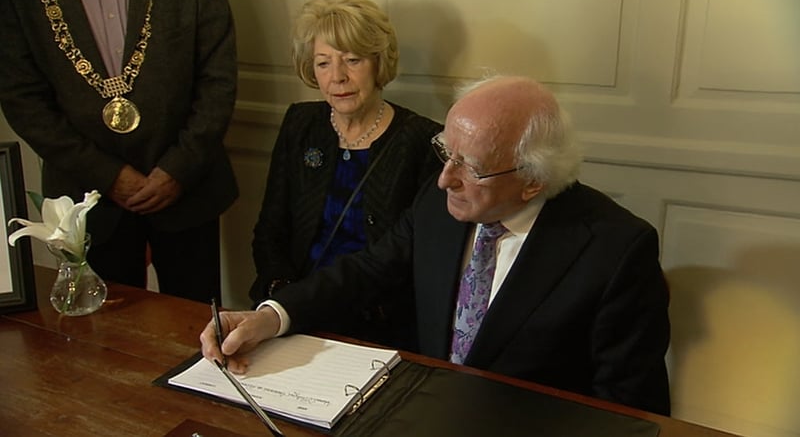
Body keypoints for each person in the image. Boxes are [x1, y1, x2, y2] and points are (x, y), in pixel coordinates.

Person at [201, 75, 671, 415]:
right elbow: (367, 272)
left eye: (471, 167)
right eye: (446, 152)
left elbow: (628, 410)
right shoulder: (439, 201)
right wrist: (270, 316)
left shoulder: (615, 251)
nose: (446, 178)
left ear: (532, 180)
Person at [0, 0, 238, 303]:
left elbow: (218, 82)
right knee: (105, 340)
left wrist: (178, 168)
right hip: (86, 201)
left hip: (188, 189)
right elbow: (22, 101)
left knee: (198, 335)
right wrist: (108, 176)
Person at [249, 0, 442, 346]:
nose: (337, 77)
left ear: (379, 63)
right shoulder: (300, 123)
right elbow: (270, 229)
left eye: (352, 60)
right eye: (323, 63)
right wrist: (282, 292)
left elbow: (409, 257)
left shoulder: (421, 140)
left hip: (377, 322)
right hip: (295, 309)